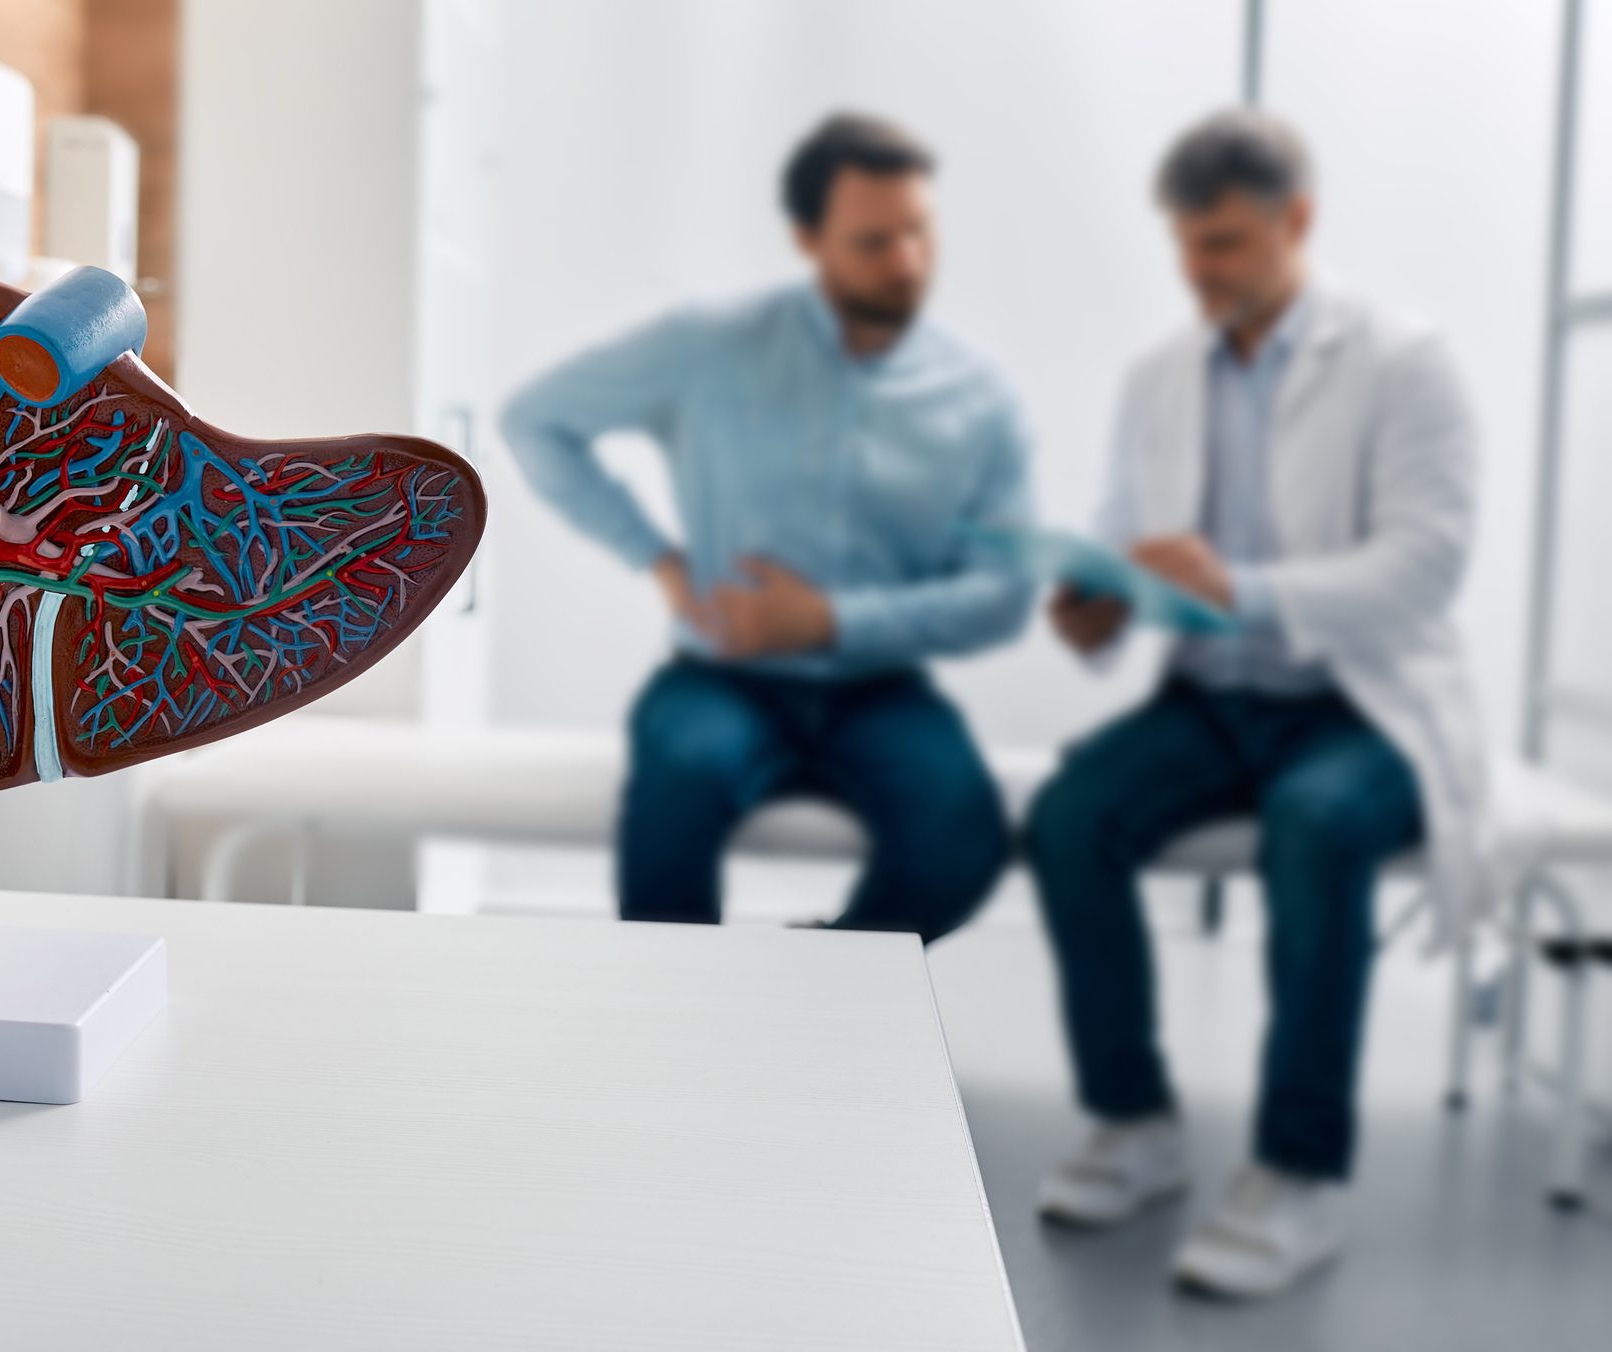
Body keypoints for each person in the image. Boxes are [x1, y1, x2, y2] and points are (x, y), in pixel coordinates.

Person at [1025, 109, 1489, 1299]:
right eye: (1186, 245)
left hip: (1362, 704)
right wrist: (1102, 605)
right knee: (1070, 812)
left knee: (1318, 823)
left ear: (1299, 221)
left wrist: (1245, 586)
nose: (1200, 271)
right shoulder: (1157, 374)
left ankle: (1298, 1167)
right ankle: (1134, 1120)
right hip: (1209, 698)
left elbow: (1424, 565)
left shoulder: (1405, 360)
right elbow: (1135, 535)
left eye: (1225, 243)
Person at [500, 113, 1034, 938]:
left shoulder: (979, 395)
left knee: (961, 840)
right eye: (873, 242)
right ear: (808, 239)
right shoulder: (709, 344)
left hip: (882, 690)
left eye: (919, 232)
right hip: (724, 678)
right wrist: (656, 557)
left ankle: (806, 996)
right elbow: (537, 420)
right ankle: (680, 1038)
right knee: (678, 782)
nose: (907, 264)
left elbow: (1005, 594)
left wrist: (830, 620)